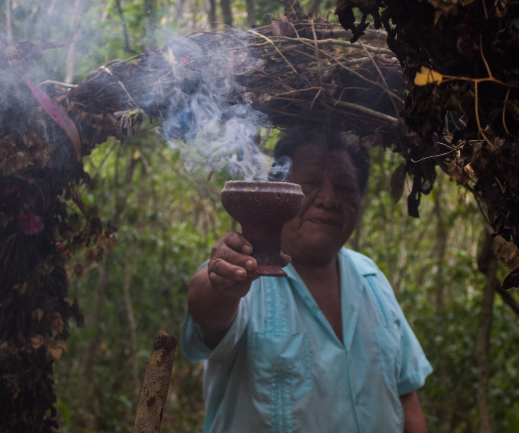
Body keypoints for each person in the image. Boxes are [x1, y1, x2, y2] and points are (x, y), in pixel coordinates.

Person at [182, 132, 432, 433]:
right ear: (278, 194)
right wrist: (221, 283)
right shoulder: (242, 269)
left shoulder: (372, 278)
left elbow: (405, 395)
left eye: (345, 188)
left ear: (360, 200)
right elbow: (207, 310)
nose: (328, 200)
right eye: (310, 184)